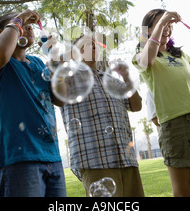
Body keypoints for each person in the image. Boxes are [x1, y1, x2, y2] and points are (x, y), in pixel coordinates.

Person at [133, 8, 190, 197]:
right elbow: (147, 58)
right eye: (160, 24)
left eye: (169, 25)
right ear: (147, 30)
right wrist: (164, 18)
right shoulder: (141, 57)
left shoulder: (180, 55)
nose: (166, 28)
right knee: (183, 192)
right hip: (174, 123)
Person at [0, 10, 66, 197]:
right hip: (19, 158)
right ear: (0, 33)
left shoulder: (38, 63)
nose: (28, 26)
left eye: (30, 25)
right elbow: (2, 52)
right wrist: (20, 17)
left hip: (52, 156)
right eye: (21, 24)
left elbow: (61, 99)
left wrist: (57, 64)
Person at [59, 34, 145, 197]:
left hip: (126, 159)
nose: (93, 44)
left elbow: (136, 105)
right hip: (95, 159)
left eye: (94, 43)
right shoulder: (67, 77)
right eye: (85, 44)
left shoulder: (111, 80)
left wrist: (126, 76)